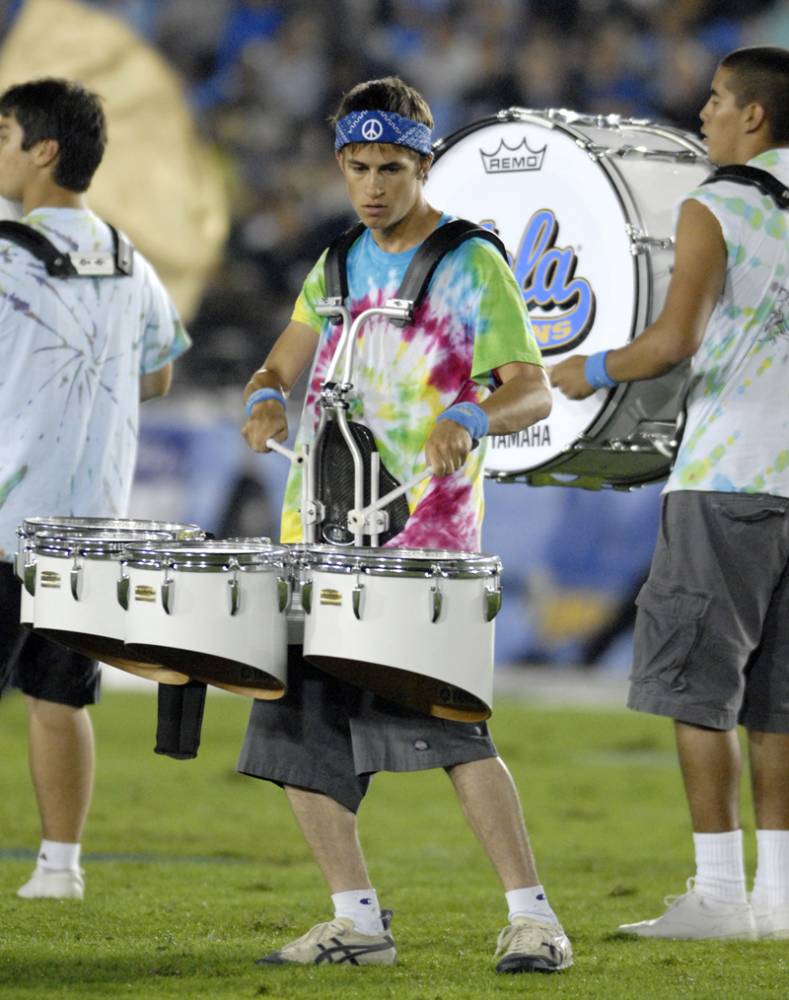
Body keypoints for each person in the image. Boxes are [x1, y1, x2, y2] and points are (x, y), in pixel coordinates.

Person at [239, 76, 572, 973]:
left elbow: (529, 387)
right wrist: (267, 398)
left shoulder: (470, 261)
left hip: (422, 545)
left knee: (454, 735)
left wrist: (470, 416)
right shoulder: (336, 262)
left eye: (391, 167)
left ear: (424, 164)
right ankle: (356, 922)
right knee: (297, 737)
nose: (373, 185)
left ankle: (534, 919)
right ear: (340, 167)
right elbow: (280, 361)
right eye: (357, 167)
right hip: (317, 536)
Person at [551, 46, 789, 940]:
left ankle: (721, 898)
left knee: (697, 691)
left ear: (754, 119)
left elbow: (672, 340)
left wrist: (588, 368)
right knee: (777, 702)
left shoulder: (716, 203)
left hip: (726, 477)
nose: (704, 115)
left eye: (718, 101)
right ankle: (779, 900)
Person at [0, 78, 191, 900]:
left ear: (43, 150)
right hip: (86, 531)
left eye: (2, 132)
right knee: (58, 696)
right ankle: (60, 868)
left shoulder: (4, 252)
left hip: (4, 516)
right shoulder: (126, 256)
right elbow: (160, 374)